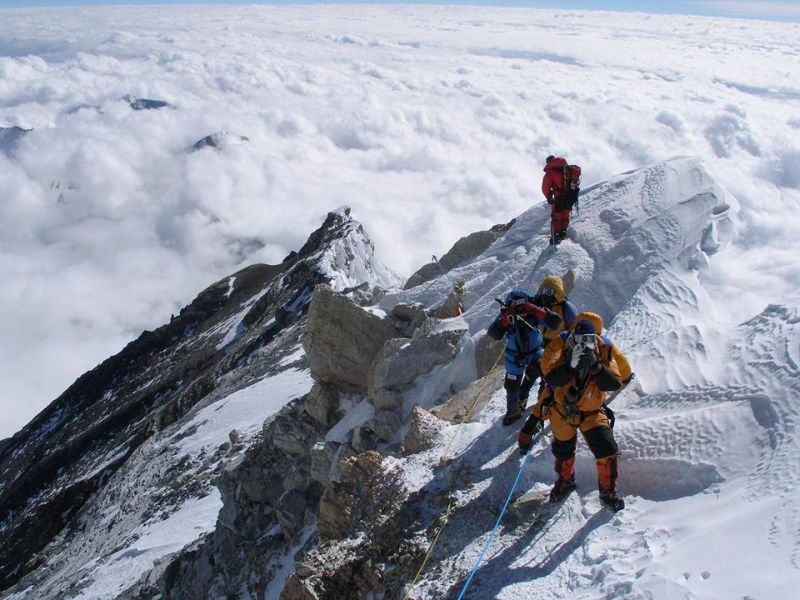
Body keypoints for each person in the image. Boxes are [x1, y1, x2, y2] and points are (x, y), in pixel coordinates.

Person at [517, 311, 632, 512]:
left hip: (591, 411)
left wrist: (595, 366)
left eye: (589, 339)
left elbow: (613, 382)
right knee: (563, 450)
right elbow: (551, 377)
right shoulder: (561, 349)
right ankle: (566, 480)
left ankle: (607, 491)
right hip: (563, 410)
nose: (584, 343)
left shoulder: (603, 351)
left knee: (607, 449)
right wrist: (571, 365)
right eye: (580, 339)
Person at [487, 288, 562, 426]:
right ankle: (513, 411)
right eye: (517, 305)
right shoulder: (507, 316)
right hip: (515, 356)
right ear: (510, 305)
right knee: (512, 385)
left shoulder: (533, 313)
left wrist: (536, 310)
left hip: (534, 352)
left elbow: (555, 322)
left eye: (523, 304)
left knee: (548, 371)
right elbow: (493, 333)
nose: (520, 308)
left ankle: (546, 399)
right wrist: (503, 322)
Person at [519, 275, 579, 433]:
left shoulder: (567, 308)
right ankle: (522, 402)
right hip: (540, 346)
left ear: (557, 291)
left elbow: (574, 329)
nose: (545, 294)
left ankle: (540, 416)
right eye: (543, 290)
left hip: (557, 349)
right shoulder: (539, 304)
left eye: (549, 291)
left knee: (546, 383)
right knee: (530, 375)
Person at [542, 155, 581, 244]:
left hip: (559, 196)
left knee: (557, 215)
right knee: (565, 213)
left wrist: (549, 197)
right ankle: (562, 232)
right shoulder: (567, 167)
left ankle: (555, 236)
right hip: (571, 194)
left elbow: (545, 187)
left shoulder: (550, 172)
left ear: (548, 162)